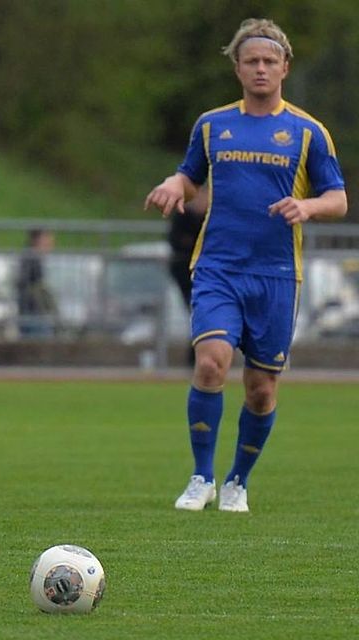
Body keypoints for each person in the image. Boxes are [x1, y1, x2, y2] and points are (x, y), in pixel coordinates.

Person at [144, 18, 347, 513]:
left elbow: (338, 198)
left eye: (269, 62)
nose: (260, 69)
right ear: (237, 68)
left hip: (277, 275)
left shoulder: (307, 133)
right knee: (211, 361)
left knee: (260, 389)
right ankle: (200, 476)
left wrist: (308, 207)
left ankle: (237, 480)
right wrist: (176, 185)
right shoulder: (213, 125)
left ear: (284, 68)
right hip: (218, 267)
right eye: (251, 61)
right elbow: (191, 176)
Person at [166, 187, 207, 366]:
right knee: (197, 313)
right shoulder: (183, 217)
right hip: (186, 272)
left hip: (204, 272)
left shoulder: (208, 217)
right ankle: (194, 357)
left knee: (202, 315)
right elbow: (177, 241)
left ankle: (198, 355)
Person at [16, 227, 57, 337]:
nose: (51, 242)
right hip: (34, 314)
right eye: (47, 238)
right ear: (38, 240)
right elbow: (32, 285)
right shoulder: (31, 257)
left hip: (32, 312)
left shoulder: (31, 257)